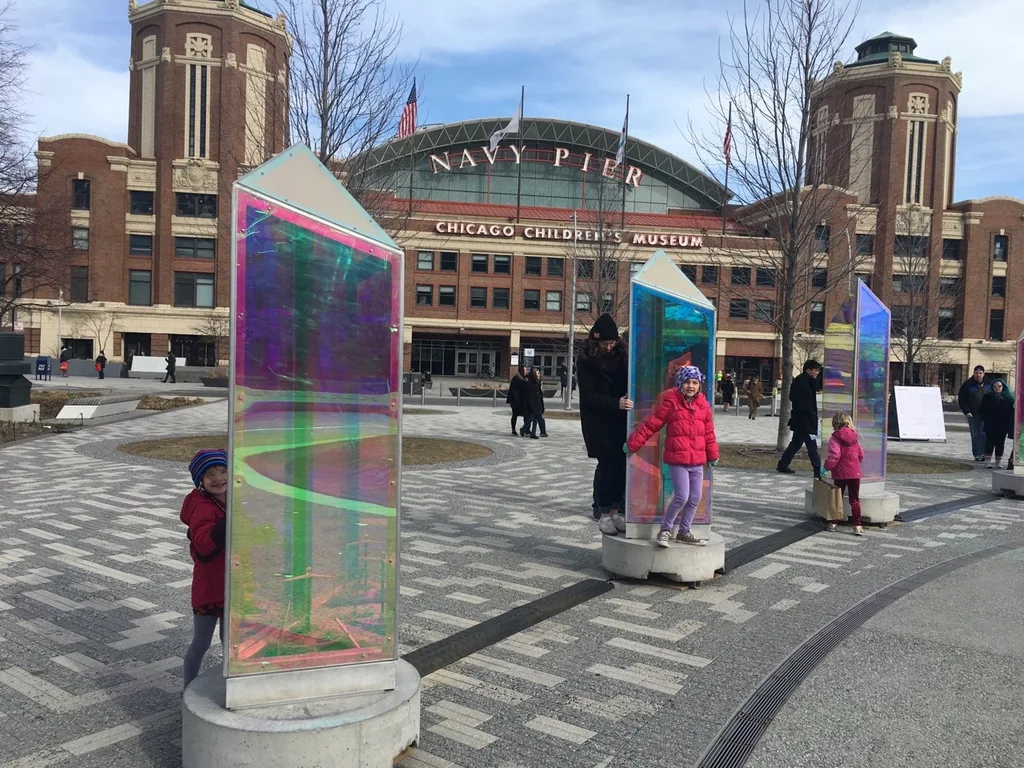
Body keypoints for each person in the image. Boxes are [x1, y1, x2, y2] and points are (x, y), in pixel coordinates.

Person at [626, 365, 720, 547]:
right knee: (682, 496)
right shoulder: (672, 402)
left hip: (697, 461)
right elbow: (652, 424)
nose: (690, 386)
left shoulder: (704, 406)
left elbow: (709, 433)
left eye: (694, 382)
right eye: (686, 382)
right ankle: (665, 530)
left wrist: (713, 455)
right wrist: (633, 444)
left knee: (695, 497)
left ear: (699, 385)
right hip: (678, 459)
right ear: (679, 384)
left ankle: (684, 531)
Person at [578, 313, 632, 536]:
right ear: (595, 341)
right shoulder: (586, 360)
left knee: (622, 465)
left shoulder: (624, 354)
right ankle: (603, 512)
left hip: (622, 418)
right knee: (608, 466)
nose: (608, 347)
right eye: (603, 343)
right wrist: (615, 402)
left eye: (611, 342)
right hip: (599, 421)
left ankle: (615, 511)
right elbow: (589, 396)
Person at [180, 449, 228, 691]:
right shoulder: (202, 506)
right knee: (200, 642)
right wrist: (226, 523)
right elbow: (204, 546)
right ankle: (188, 688)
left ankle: (229, 681)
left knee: (229, 641)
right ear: (200, 480)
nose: (218, 478)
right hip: (209, 589)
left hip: (231, 585)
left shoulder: (228, 498)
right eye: (210, 474)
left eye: (223, 471)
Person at [777, 359, 823, 477]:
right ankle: (817, 470)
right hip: (804, 419)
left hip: (804, 418)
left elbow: (819, 383)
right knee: (811, 445)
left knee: (796, 443)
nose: (817, 372)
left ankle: (783, 464)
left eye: (818, 370)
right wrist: (807, 412)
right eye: (815, 370)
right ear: (808, 370)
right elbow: (796, 398)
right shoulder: (800, 382)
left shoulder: (809, 380)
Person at [822, 412, 864, 536]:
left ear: (835, 423)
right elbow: (861, 455)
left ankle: (833, 523)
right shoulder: (855, 437)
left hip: (840, 473)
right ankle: (857, 525)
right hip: (855, 473)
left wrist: (826, 468)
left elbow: (834, 456)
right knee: (855, 500)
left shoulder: (835, 438)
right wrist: (855, 465)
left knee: (837, 499)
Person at [958, 365, 991, 461]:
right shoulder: (967, 385)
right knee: (975, 434)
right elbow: (962, 399)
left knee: (984, 434)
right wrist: (966, 411)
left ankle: (984, 454)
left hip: (986, 414)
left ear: (983, 374)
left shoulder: (989, 384)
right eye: (976, 373)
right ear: (974, 373)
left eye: (980, 373)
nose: (978, 375)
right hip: (973, 414)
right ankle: (977, 454)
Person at [980, 378, 1014, 469]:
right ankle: (987, 461)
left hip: (1003, 425)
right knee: (989, 442)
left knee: (1000, 443)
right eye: (995, 386)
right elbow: (982, 409)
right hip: (990, 424)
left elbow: (1011, 412)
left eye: (999, 386)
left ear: (1003, 387)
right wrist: (986, 419)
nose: (997, 388)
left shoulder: (1008, 399)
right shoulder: (988, 397)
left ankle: (998, 462)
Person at [506, 365, 528, 436]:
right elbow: (513, 391)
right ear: (521, 371)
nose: (526, 372)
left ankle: (525, 429)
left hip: (523, 401)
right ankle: (513, 429)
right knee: (515, 415)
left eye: (526, 370)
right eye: (524, 370)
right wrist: (516, 401)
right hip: (516, 402)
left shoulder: (525, 379)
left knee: (526, 415)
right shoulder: (516, 379)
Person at [526, 367, 548, 438]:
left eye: (539, 373)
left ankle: (539, 432)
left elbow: (540, 394)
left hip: (538, 403)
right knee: (535, 417)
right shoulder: (532, 383)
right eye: (537, 373)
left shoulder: (538, 382)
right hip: (535, 404)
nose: (539, 374)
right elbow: (532, 395)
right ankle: (527, 430)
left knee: (537, 417)